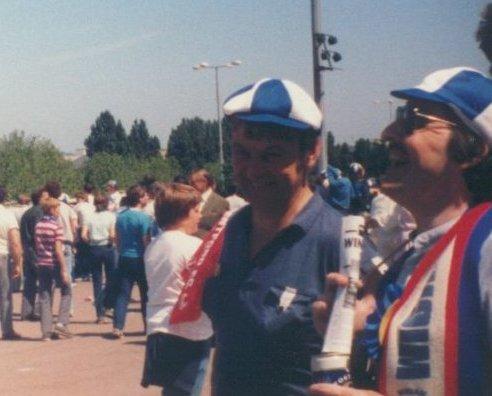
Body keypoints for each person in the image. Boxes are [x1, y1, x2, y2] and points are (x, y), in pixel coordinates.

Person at [310, 67, 492, 396]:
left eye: (414, 120)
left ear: (475, 150)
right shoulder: (409, 255)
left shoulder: (486, 246)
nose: (387, 132)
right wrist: (354, 335)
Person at [202, 78, 342, 394]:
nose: (252, 170)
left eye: (271, 155)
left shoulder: (337, 243)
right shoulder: (234, 228)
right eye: (242, 152)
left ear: (311, 153)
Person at [141, 183, 212, 396]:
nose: (200, 216)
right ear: (183, 213)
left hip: (160, 326)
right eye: (197, 210)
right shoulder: (192, 245)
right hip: (189, 331)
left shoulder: (155, 245)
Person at [112, 184, 151, 338]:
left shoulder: (121, 217)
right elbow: (145, 241)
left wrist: (121, 251)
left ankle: (118, 326)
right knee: (145, 294)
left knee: (123, 294)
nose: (148, 198)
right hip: (140, 258)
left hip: (124, 257)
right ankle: (148, 326)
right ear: (140, 199)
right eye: (146, 195)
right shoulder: (144, 218)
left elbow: (117, 239)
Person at [35, 197, 72, 341]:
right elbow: (58, 250)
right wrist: (63, 268)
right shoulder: (56, 226)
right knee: (66, 290)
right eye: (57, 208)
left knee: (45, 296)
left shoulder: (38, 225)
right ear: (51, 209)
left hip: (42, 263)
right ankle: (62, 323)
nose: (58, 211)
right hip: (55, 263)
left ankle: (46, 332)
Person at [81, 194, 116, 323]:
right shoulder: (111, 216)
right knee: (111, 279)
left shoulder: (89, 217)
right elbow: (112, 234)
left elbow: (84, 235)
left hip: (94, 248)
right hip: (108, 247)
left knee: (96, 280)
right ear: (107, 204)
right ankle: (108, 306)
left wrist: (91, 239)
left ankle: (99, 314)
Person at [20, 188, 48, 321]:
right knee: (45, 281)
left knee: (29, 282)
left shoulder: (26, 213)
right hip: (37, 251)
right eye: (46, 197)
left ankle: (26, 311)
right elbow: (38, 233)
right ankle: (39, 310)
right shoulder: (39, 212)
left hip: (27, 250)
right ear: (40, 198)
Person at [0, 186, 23, 340]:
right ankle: (7, 329)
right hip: (2, 256)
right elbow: (15, 242)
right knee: (5, 294)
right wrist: (17, 263)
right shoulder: (7, 215)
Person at [188, 169, 230, 239]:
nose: (193, 184)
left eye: (197, 181)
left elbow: (222, 228)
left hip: (207, 244)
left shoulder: (221, 202)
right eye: (191, 182)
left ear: (206, 182)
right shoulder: (189, 201)